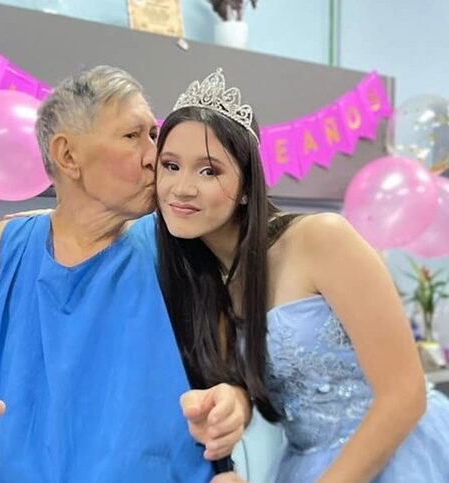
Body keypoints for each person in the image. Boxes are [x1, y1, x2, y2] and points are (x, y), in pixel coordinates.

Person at [0, 66, 251, 482]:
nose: (155, 156)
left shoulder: (181, 241)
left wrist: (233, 408)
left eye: (153, 135)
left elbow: (231, 382)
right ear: (68, 155)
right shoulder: (2, 248)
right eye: (133, 137)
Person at [143, 67, 449, 482]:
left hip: (398, 452)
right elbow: (243, 384)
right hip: (305, 461)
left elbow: (405, 395)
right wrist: (231, 404)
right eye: (171, 165)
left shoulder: (319, 239)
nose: (181, 187)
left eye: (209, 170)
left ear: (248, 186)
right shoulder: (204, 279)